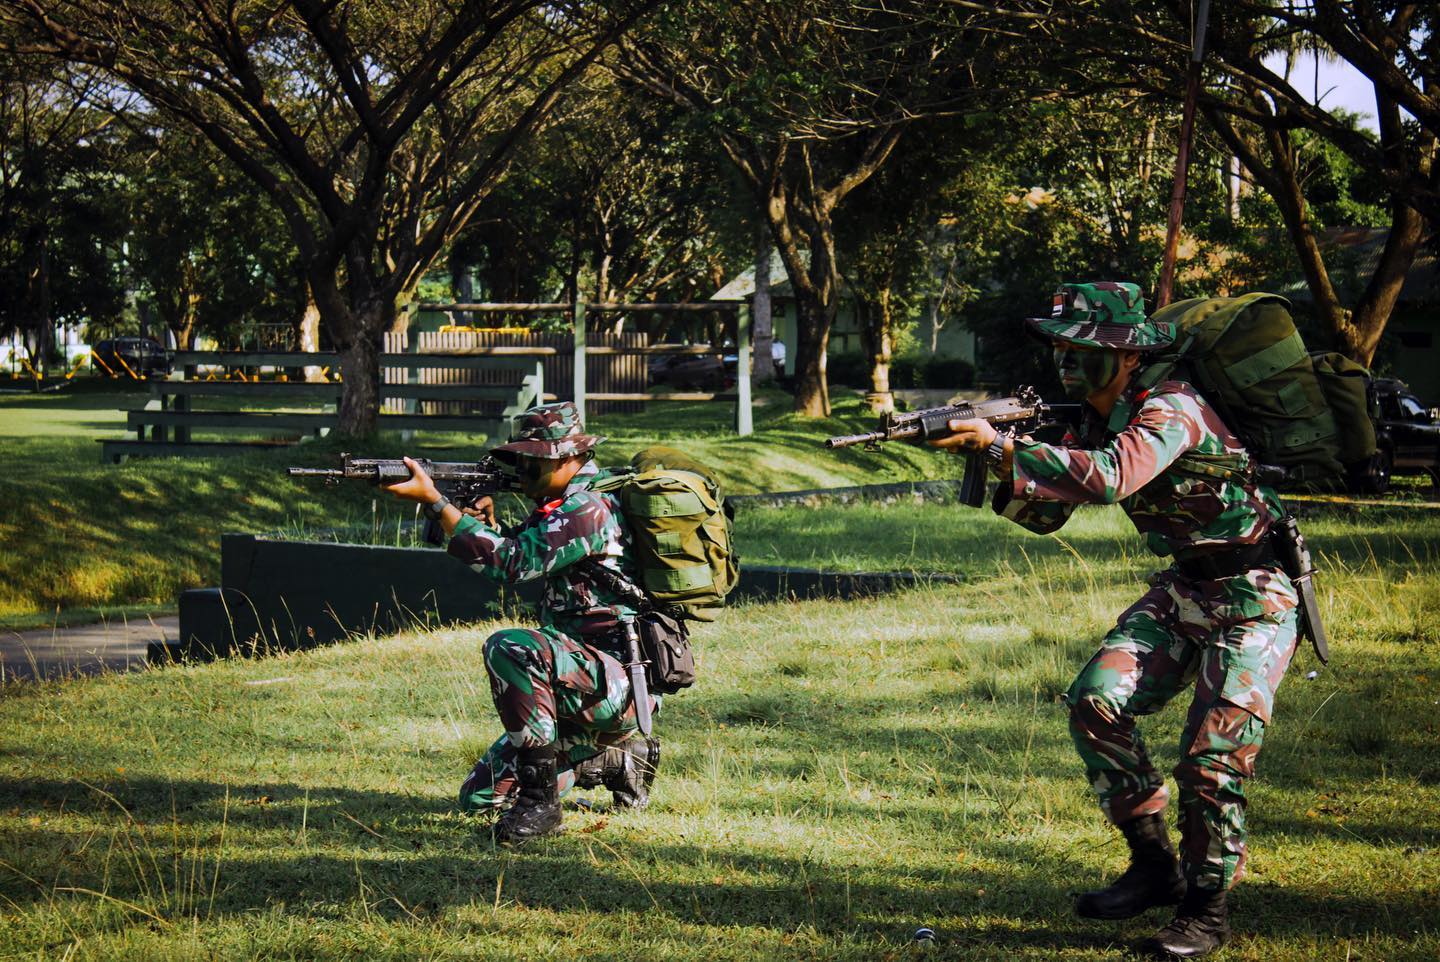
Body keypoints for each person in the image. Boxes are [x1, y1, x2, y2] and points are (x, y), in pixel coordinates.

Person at [929, 282, 1300, 959]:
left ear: (1129, 355)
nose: (1069, 367)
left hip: (1253, 597)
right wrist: (992, 456)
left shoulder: (1172, 409)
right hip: (1186, 590)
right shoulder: (1094, 420)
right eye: (1063, 353)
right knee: (1095, 700)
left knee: (1211, 762)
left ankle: (1205, 908)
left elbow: (1110, 480)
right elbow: (1046, 517)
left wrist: (1012, 450)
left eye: (1085, 353)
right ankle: (1155, 865)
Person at [382, 400, 660, 845]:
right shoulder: (563, 504)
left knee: (510, 646)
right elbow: (522, 548)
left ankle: (541, 806)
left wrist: (437, 504)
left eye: (535, 462)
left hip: (615, 682)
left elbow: (512, 564)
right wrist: (479, 521)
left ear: (571, 458)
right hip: (576, 683)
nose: (524, 472)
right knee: (480, 798)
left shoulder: (585, 509)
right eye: (522, 461)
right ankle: (614, 761)